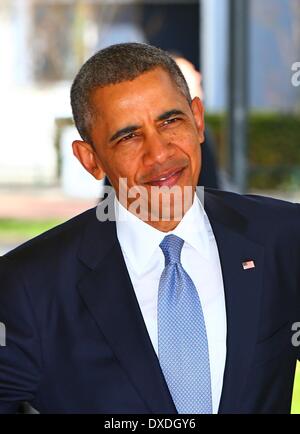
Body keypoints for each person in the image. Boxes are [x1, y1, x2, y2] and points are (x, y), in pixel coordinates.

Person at [0, 42, 300, 414]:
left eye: (170, 121)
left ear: (198, 119)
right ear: (90, 159)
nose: (159, 154)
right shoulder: (27, 286)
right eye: (128, 136)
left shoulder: (285, 239)